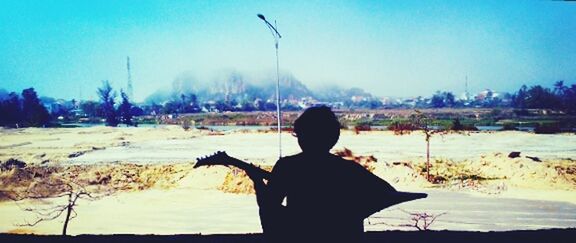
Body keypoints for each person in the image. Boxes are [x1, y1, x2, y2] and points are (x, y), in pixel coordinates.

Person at [248, 106, 426, 243]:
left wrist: (257, 181)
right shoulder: (349, 169)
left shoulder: (288, 167)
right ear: (333, 137)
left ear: (301, 136)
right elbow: (385, 193)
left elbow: (269, 208)